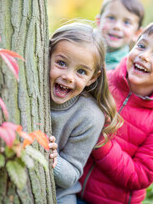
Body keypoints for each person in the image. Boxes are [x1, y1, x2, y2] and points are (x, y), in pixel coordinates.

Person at [78, 19, 153, 204]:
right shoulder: (103, 81)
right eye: (141, 46)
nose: (144, 56)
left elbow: (140, 177)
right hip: (70, 188)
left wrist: (102, 143)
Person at [49, 21, 123, 204]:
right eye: (61, 63)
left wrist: (53, 159)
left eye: (81, 71)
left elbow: (71, 176)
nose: (68, 76)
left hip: (60, 195)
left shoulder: (90, 115)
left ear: (93, 78)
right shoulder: (33, 88)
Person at [96, 0, 145, 70]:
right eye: (111, 18)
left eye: (127, 22)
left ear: (137, 33)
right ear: (99, 21)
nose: (117, 26)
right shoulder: (83, 52)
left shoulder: (129, 69)